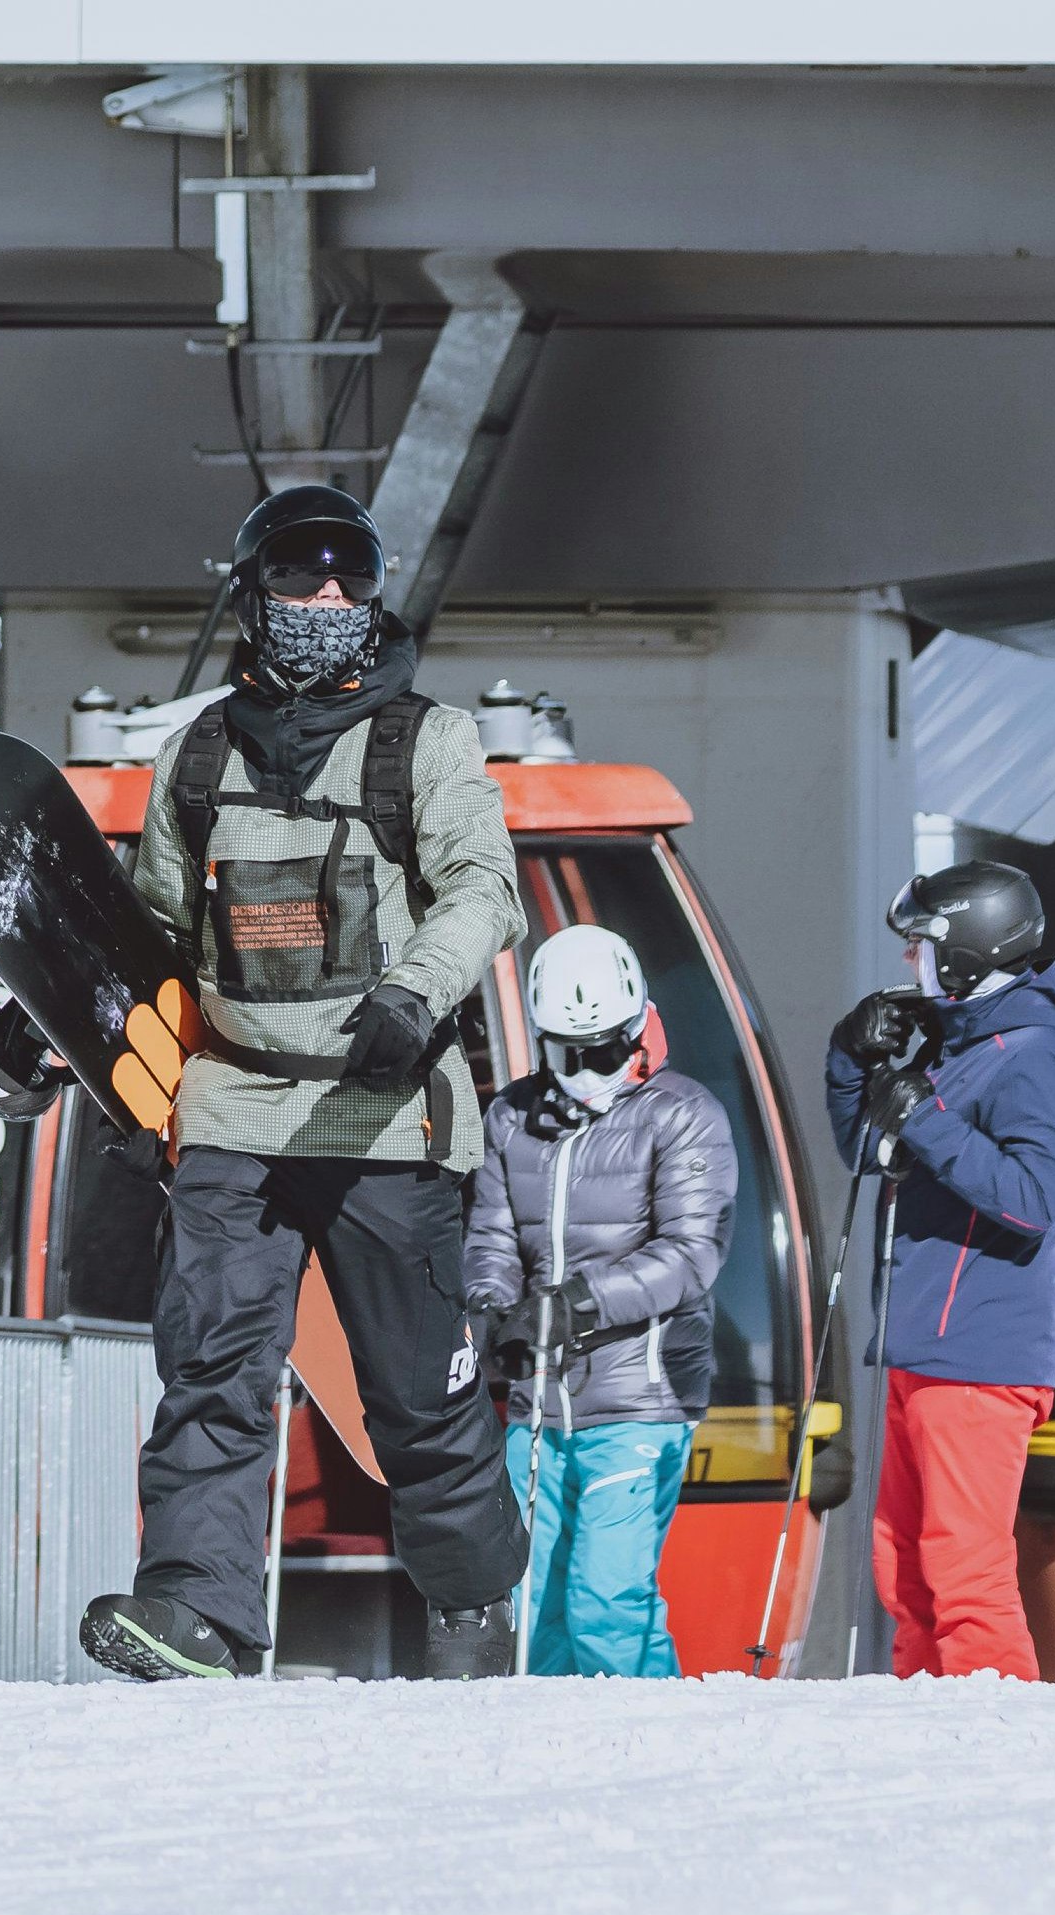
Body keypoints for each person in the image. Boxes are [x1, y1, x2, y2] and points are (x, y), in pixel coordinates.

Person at [76, 484, 531, 1681]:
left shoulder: (421, 742)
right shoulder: (196, 756)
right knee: (211, 1368)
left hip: (387, 1109)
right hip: (234, 1107)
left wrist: (410, 995)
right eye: (299, 573)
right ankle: (195, 1609)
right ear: (251, 592)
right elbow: (160, 931)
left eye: (351, 576)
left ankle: (472, 1610)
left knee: (415, 1400)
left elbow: (485, 889)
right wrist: (66, 1028)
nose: (328, 597)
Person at [824, 860, 1055, 1681]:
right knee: (904, 1572)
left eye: (924, 947)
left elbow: (1034, 1194)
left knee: (964, 1574)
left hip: (981, 1352)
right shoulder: (963, 1037)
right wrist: (850, 1060)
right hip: (922, 1344)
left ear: (970, 953)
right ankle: (924, 1735)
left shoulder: (1034, 1053)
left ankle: (999, 1747)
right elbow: (871, 1151)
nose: (911, 963)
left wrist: (925, 1116)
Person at [467, 925, 736, 1677]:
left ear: (635, 1030)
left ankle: (655, 1747)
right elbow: (491, 1235)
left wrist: (576, 1305)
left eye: (607, 1051)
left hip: (642, 1397)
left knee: (606, 1602)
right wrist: (495, 1313)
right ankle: (554, 1766)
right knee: (534, 1606)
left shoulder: (682, 1115)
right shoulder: (512, 1117)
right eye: (569, 1054)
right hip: (542, 1404)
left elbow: (692, 1254)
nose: (589, 1073)